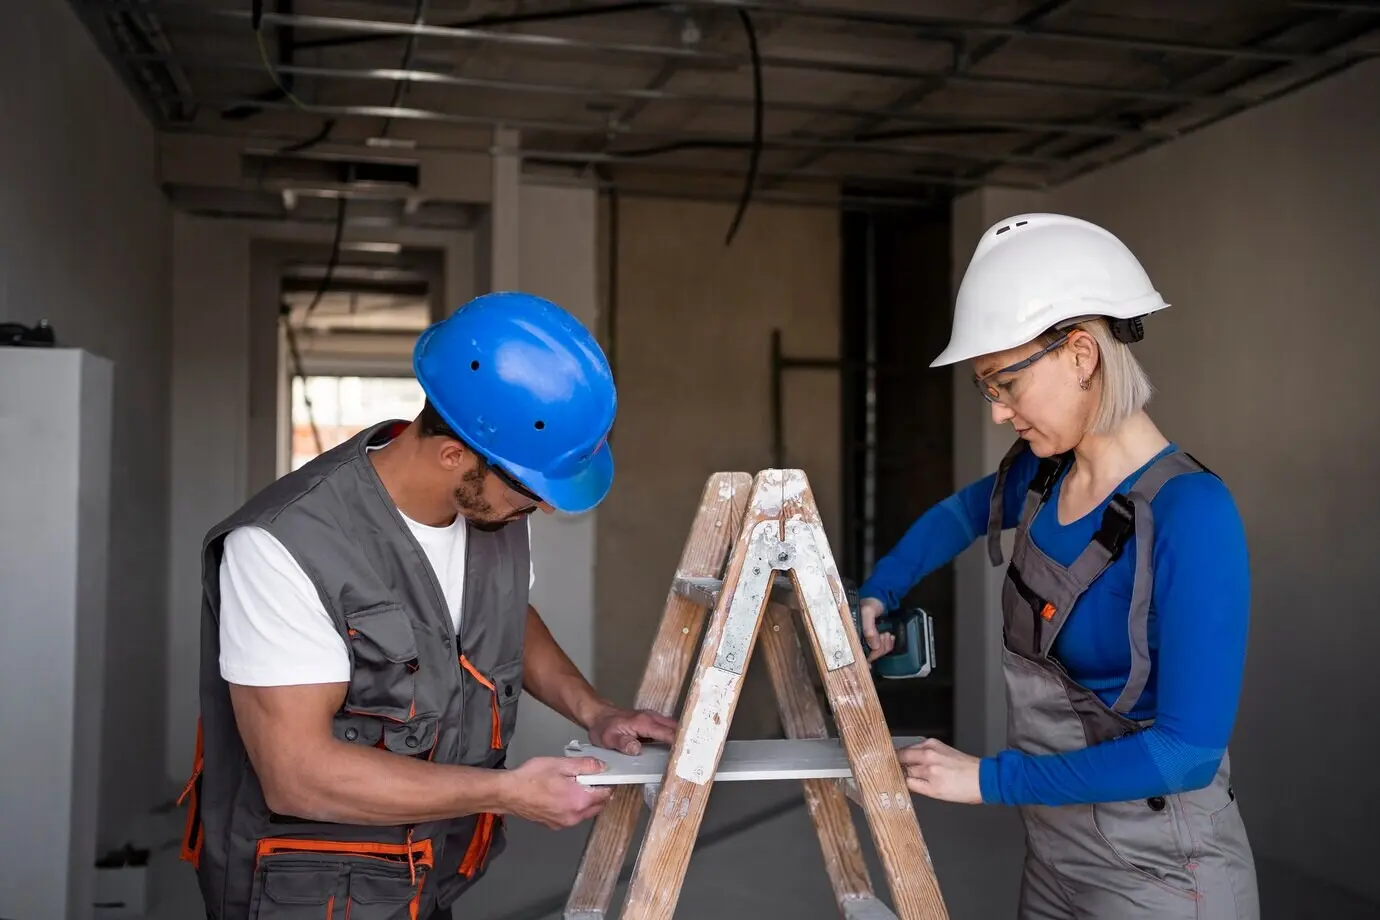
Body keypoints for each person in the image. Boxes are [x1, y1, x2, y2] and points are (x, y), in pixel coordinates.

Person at [177, 291, 678, 920]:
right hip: (312, 896)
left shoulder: (489, 507)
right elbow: (297, 772)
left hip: (424, 878)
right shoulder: (284, 547)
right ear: (453, 455)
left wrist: (597, 712)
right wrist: (509, 794)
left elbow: (503, 617)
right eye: (533, 489)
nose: (546, 507)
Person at [858, 214, 1259, 918]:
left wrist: (988, 780)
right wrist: (879, 589)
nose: (999, 413)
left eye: (1004, 384)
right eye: (990, 388)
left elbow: (1186, 754)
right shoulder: (1044, 479)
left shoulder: (1193, 514)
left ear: (1081, 355)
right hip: (1054, 858)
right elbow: (957, 518)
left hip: (1163, 876)